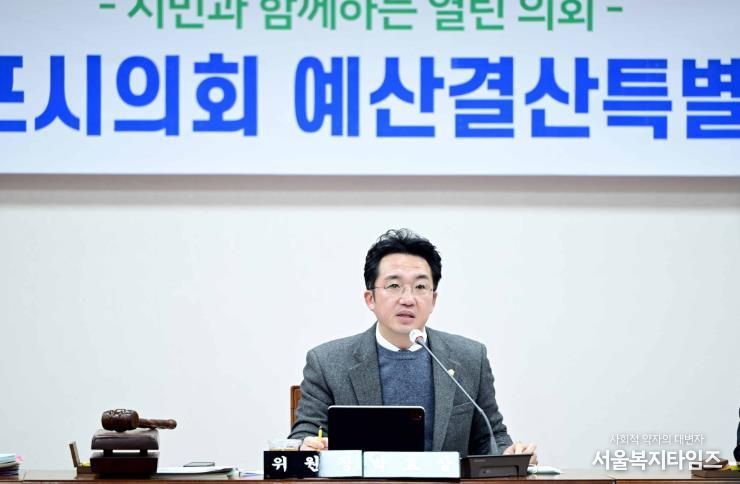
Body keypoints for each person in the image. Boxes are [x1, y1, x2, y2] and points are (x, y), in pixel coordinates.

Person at [288, 228, 537, 461]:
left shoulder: (470, 358)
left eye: (420, 287)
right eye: (394, 286)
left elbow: (490, 437)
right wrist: (306, 446)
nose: (408, 299)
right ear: (370, 298)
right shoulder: (328, 362)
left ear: (433, 299)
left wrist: (511, 454)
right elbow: (303, 435)